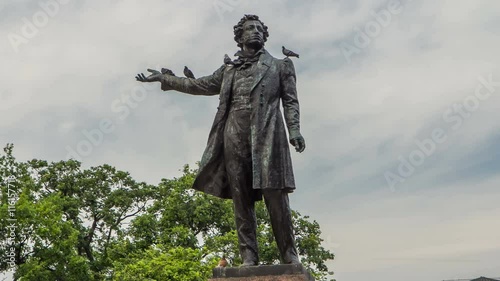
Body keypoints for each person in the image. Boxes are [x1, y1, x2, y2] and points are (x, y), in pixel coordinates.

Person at [136, 14, 305, 266]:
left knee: (275, 195)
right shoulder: (228, 70)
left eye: (259, 28)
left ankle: (289, 255)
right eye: (250, 28)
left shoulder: (281, 66)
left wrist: (294, 130)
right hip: (233, 134)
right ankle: (249, 257)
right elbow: (198, 85)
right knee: (241, 197)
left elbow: (290, 101)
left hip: (268, 134)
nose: (256, 31)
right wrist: (164, 78)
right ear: (240, 36)